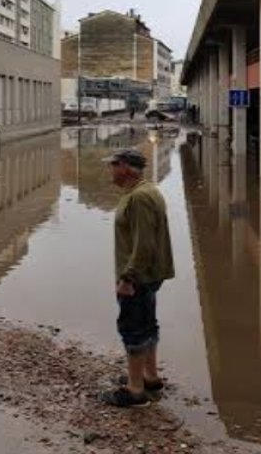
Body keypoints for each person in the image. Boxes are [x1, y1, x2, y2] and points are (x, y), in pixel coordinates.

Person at [100, 148, 175, 408]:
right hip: (150, 274)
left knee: (132, 328)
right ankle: (149, 376)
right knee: (148, 323)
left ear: (125, 169)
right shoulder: (146, 191)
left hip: (139, 277)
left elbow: (144, 245)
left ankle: (135, 390)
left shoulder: (140, 198)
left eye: (113, 165)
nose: (110, 170)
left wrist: (127, 278)